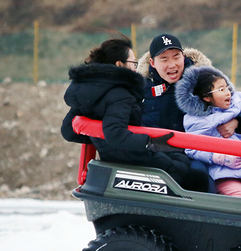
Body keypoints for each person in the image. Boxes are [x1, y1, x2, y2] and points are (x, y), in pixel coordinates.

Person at [61, 36, 210, 192]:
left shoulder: (89, 90)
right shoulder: (124, 92)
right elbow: (116, 134)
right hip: (137, 157)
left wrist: (102, 140)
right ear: (120, 64)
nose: (135, 69)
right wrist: (150, 142)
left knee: (191, 167)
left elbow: (69, 131)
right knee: (195, 176)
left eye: (176, 57)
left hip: (119, 157)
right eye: (133, 63)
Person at [137, 33, 241, 138]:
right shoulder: (140, 85)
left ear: (183, 57)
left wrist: (237, 121)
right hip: (151, 149)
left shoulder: (202, 79)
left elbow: (234, 102)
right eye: (164, 59)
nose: (172, 65)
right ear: (152, 63)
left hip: (191, 150)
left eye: (176, 57)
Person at [175, 66, 241, 197]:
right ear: (207, 97)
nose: (227, 92)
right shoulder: (197, 120)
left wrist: (240, 123)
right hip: (222, 173)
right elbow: (192, 148)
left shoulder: (234, 103)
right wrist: (219, 158)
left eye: (227, 87)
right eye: (221, 89)